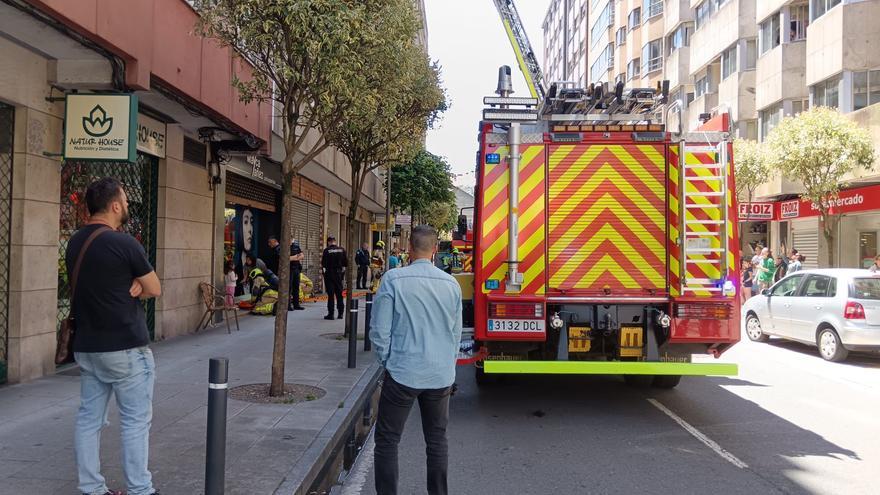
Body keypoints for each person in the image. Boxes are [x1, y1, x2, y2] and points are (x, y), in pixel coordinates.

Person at [67, 178, 161, 495]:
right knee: (135, 421)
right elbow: (155, 288)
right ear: (115, 205)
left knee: (89, 419)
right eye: (125, 201)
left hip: (88, 348)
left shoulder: (75, 243)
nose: (127, 207)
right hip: (125, 348)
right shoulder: (124, 243)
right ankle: (140, 489)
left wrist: (134, 282)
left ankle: (91, 488)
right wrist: (138, 283)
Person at [369, 225, 463, 495]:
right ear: (435, 250)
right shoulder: (451, 285)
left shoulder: (393, 279)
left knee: (388, 440)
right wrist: (448, 364)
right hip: (440, 375)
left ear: (409, 248)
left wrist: (387, 361)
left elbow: (380, 330)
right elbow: (455, 333)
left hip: (403, 372)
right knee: (436, 441)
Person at [270, 235, 305, 310]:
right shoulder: (282, 248)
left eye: (292, 239)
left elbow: (302, 256)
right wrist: (296, 257)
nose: (291, 241)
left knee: (296, 287)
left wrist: (292, 258)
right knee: (288, 288)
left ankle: (296, 305)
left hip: (296, 269)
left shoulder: (296, 246)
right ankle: (288, 305)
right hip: (288, 270)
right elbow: (284, 259)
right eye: (290, 239)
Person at [321, 235, 347, 320]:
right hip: (339, 274)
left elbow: (323, 264)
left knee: (331, 295)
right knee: (339, 294)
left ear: (328, 242)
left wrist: (325, 274)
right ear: (335, 241)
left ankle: (331, 314)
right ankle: (340, 314)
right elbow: (345, 263)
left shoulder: (326, 250)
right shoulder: (342, 250)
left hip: (329, 274)